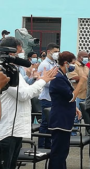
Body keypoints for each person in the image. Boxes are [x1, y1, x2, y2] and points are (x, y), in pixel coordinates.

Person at [0, 37, 57, 169]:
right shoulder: (4, 70)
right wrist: (43, 80)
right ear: (11, 52)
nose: (22, 54)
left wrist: (37, 79)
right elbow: (23, 94)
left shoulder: (12, 69)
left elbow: (26, 91)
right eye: (20, 51)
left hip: (16, 129)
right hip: (7, 130)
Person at [48, 51, 85, 169]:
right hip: (60, 119)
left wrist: (75, 108)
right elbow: (71, 97)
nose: (73, 66)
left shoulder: (63, 75)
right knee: (58, 151)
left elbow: (65, 98)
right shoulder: (58, 77)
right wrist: (81, 82)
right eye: (72, 64)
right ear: (65, 63)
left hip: (65, 118)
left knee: (63, 151)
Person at [37, 43, 60, 149]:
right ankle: (41, 145)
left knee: (51, 123)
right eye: (55, 51)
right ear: (49, 52)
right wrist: (55, 84)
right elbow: (41, 81)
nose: (57, 53)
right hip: (46, 97)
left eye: (58, 51)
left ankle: (48, 144)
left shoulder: (55, 63)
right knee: (45, 123)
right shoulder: (44, 64)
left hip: (53, 97)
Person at [67, 51, 90, 135]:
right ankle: (73, 135)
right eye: (84, 56)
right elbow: (73, 77)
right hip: (76, 95)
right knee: (75, 116)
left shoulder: (86, 67)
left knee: (82, 117)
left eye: (87, 56)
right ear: (79, 57)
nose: (86, 58)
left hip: (85, 95)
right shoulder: (74, 66)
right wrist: (84, 77)